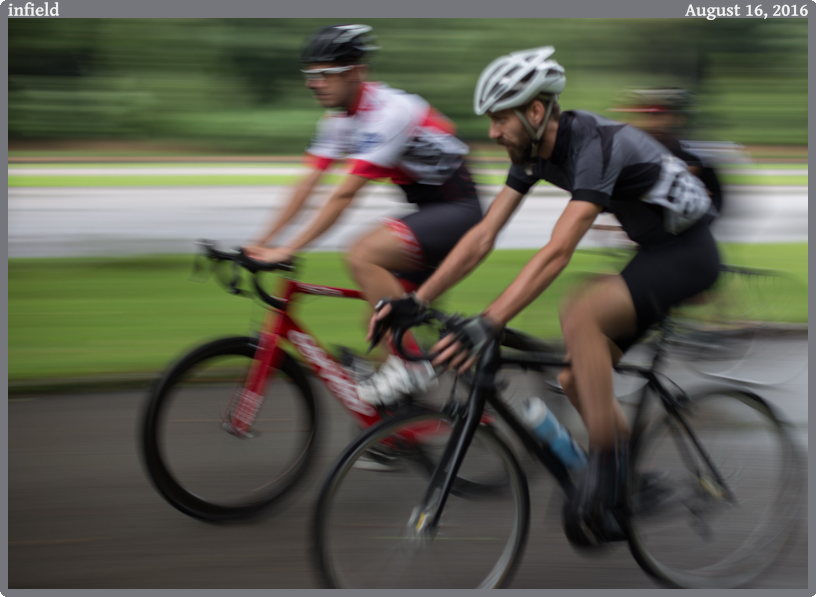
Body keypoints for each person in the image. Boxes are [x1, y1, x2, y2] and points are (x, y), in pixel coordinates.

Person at [370, 47, 721, 543]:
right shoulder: (531, 153)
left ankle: (602, 479)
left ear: (535, 112)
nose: (492, 133)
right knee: (577, 379)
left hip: (690, 253)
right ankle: (631, 487)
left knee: (580, 309)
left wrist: (489, 321)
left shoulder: (595, 144)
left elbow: (558, 251)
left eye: (499, 119)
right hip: (655, 252)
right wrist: (419, 299)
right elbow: (483, 236)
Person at [245, 24, 484, 409]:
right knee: (377, 322)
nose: (313, 83)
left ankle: (409, 369)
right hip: (430, 209)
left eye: (324, 74)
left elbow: (343, 195)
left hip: (460, 211)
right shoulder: (339, 121)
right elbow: (308, 184)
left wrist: (286, 249)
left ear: (356, 72)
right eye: (310, 74)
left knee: (362, 253)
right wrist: (262, 242)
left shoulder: (391, 112)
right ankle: (398, 433)